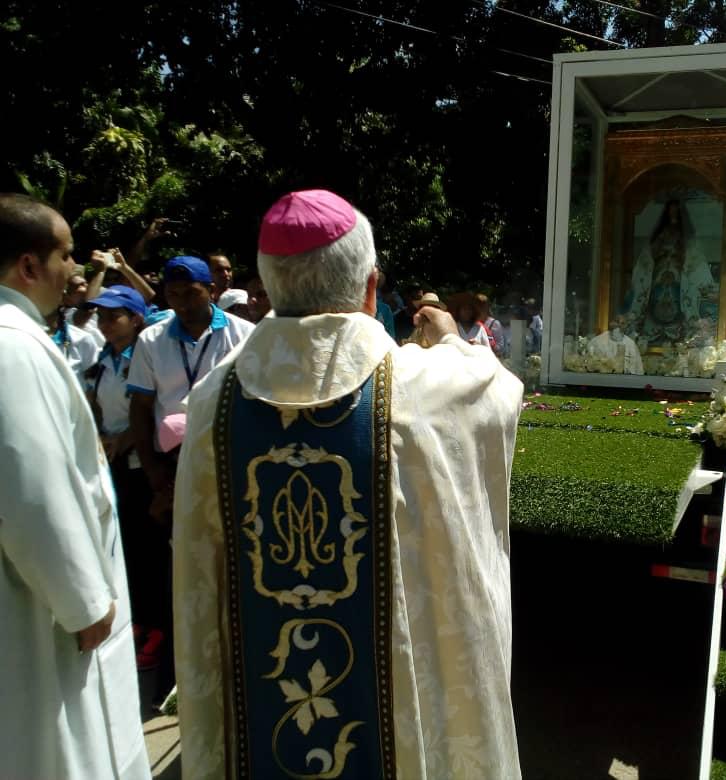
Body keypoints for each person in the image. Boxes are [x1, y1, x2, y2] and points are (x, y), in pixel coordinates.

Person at [173, 189, 523, 779]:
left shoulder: (212, 404)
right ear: (371, 287)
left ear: (268, 284)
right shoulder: (424, 389)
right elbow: (496, 385)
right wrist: (451, 338)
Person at [0, 192, 149, 779]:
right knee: (56, 743)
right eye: (66, 255)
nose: (76, 273)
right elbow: (29, 482)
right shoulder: (13, 348)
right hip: (36, 602)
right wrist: (81, 598)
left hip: (32, 585)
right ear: (30, 266)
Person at [127, 255, 253, 703]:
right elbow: (141, 409)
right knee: (179, 572)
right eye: (172, 293)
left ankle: (236, 666)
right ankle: (182, 676)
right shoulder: (151, 340)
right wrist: (156, 474)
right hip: (170, 469)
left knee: (228, 567)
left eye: (189, 292)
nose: (179, 301)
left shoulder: (243, 336)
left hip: (225, 469)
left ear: (211, 290)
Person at [85, 285, 168, 665]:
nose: (104, 323)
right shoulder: (102, 359)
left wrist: (125, 439)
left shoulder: (148, 355)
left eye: (112, 315)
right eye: (100, 316)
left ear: (135, 319)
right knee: (128, 546)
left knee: (152, 550)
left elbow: (149, 411)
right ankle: (141, 621)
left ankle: (160, 628)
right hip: (115, 465)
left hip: (143, 466)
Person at [626, 198, 715, 344]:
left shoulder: (686, 239)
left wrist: (678, 256)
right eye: (671, 212)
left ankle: (679, 333)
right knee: (658, 296)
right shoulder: (660, 236)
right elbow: (649, 255)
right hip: (660, 274)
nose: (673, 215)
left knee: (675, 298)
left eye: (675, 212)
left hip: (678, 276)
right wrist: (661, 255)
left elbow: (693, 258)